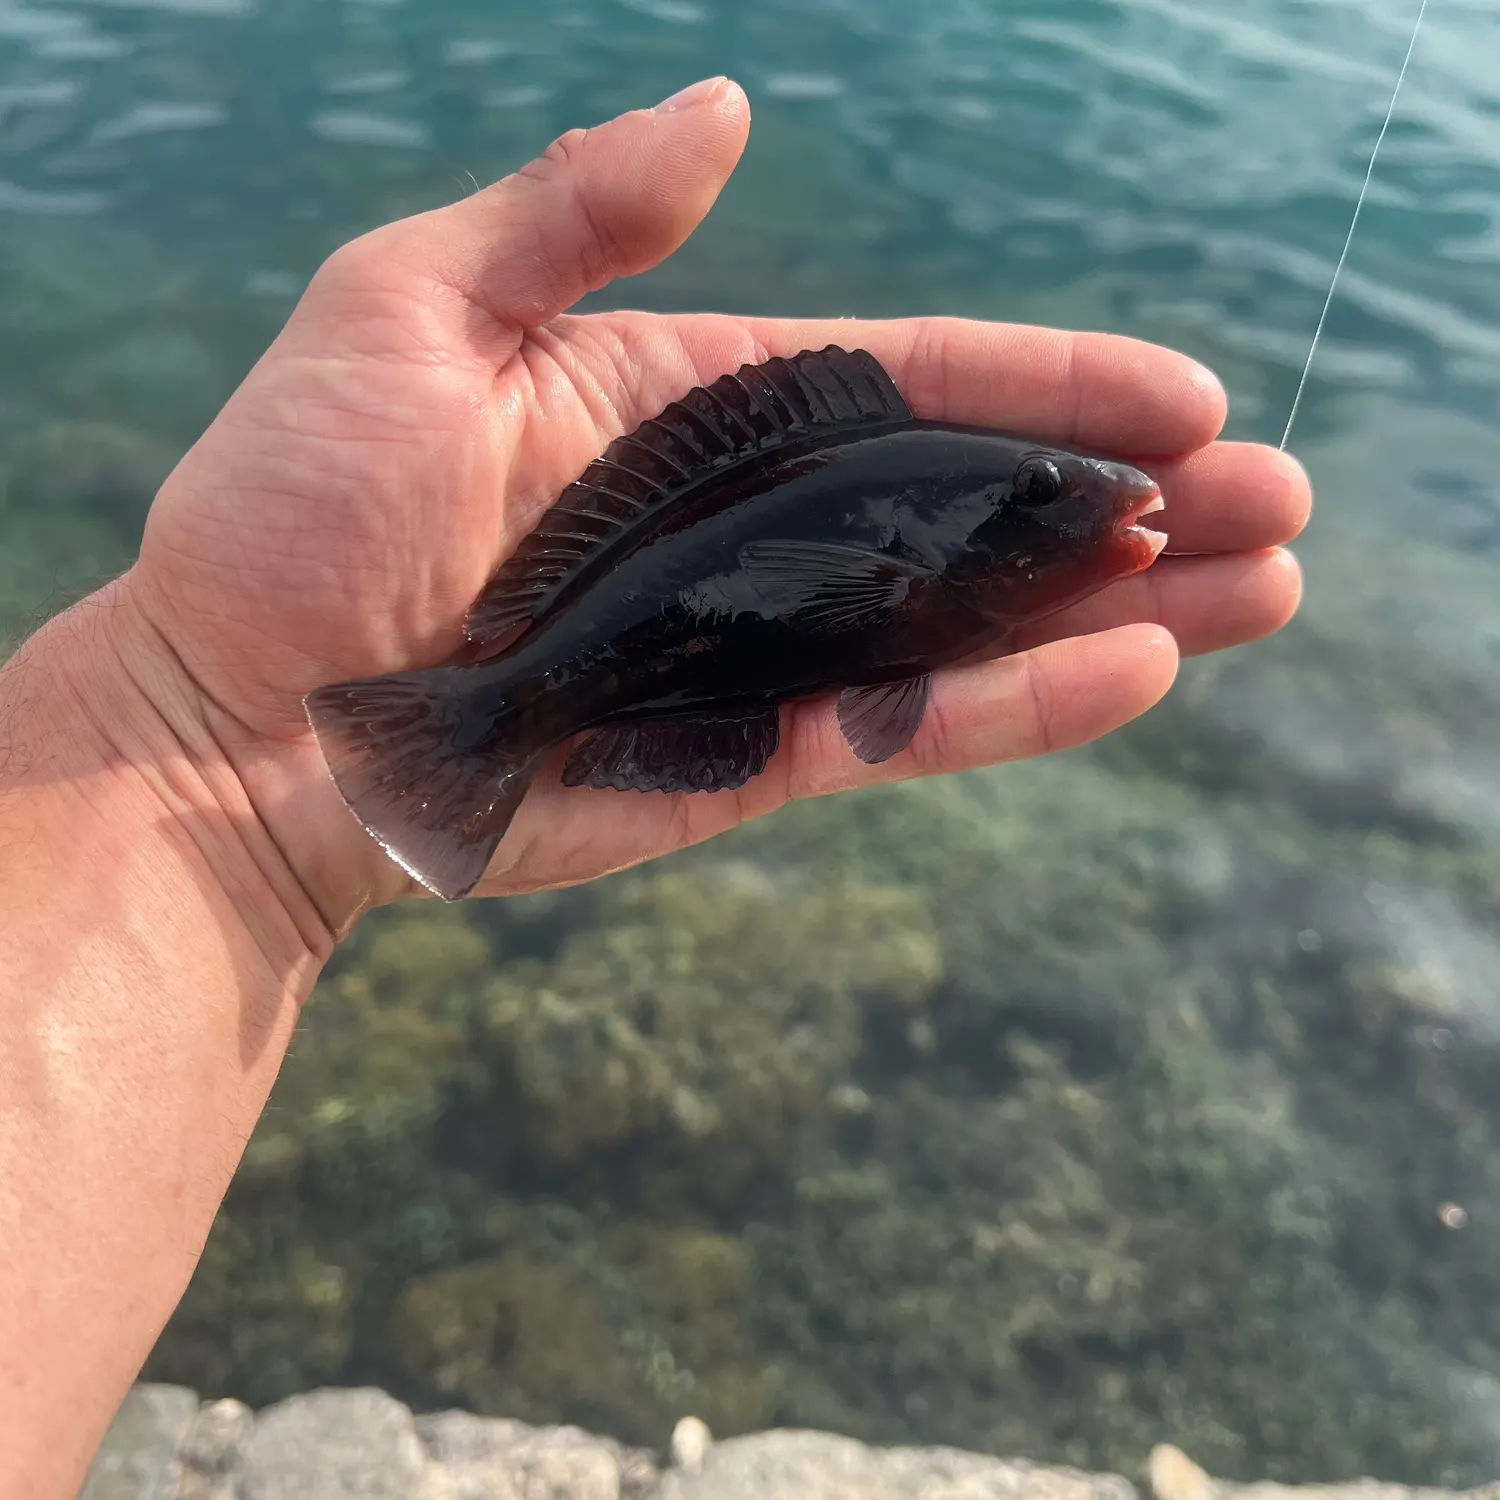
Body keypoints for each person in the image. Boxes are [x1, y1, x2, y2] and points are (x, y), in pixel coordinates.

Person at [0, 77, 1310, 1498]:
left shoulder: (944, 527)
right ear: (993, 513)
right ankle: (467, 725)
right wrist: (196, 720)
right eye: (1053, 490)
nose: (1093, 503)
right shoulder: (929, 522)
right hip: (548, 676)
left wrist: (181, 727)